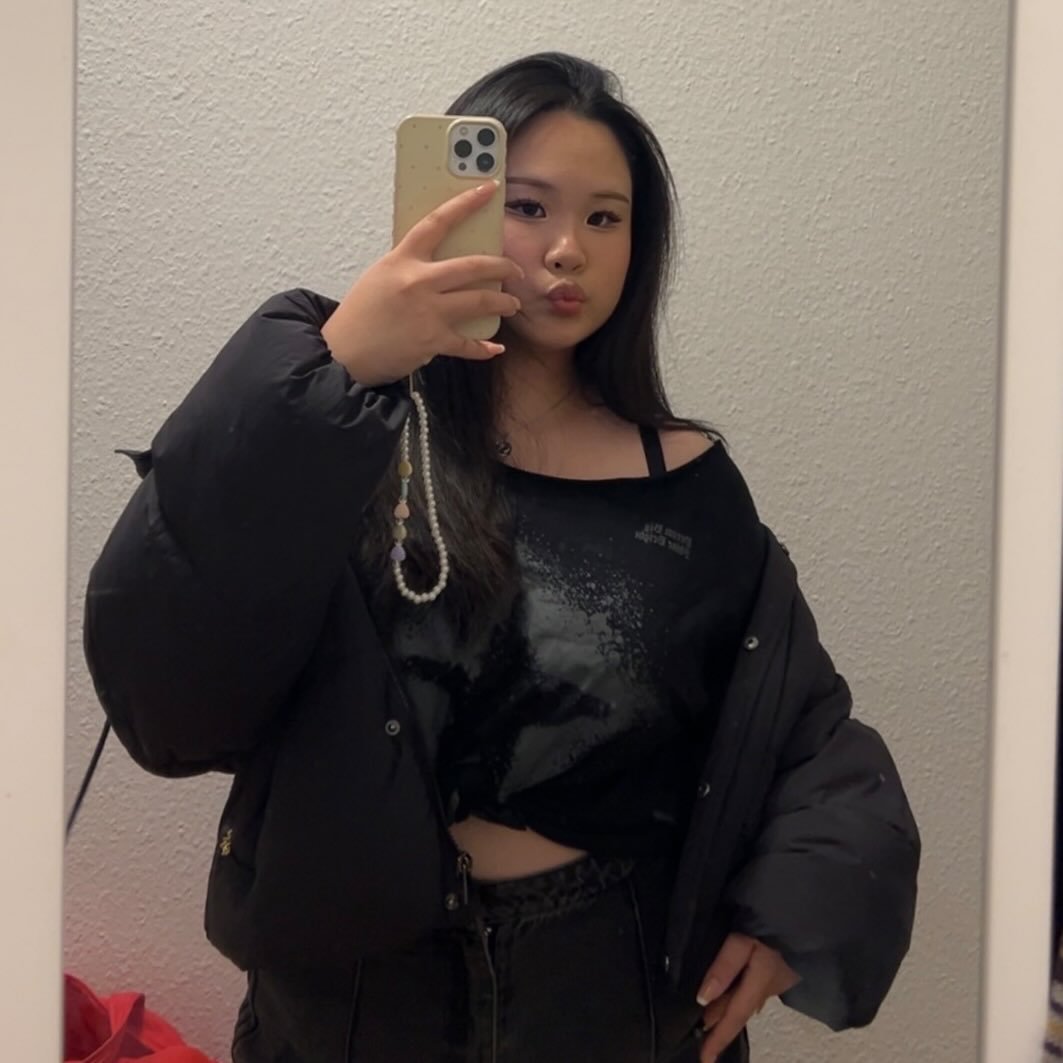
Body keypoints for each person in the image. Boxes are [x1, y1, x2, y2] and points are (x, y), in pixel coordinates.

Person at [83, 52, 920, 1063]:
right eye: (527, 207)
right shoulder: (345, 433)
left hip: (610, 990)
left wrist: (797, 902)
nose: (567, 248)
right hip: (359, 995)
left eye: (604, 217)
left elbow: (801, 729)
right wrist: (333, 366)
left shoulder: (688, 481)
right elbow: (166, 692)